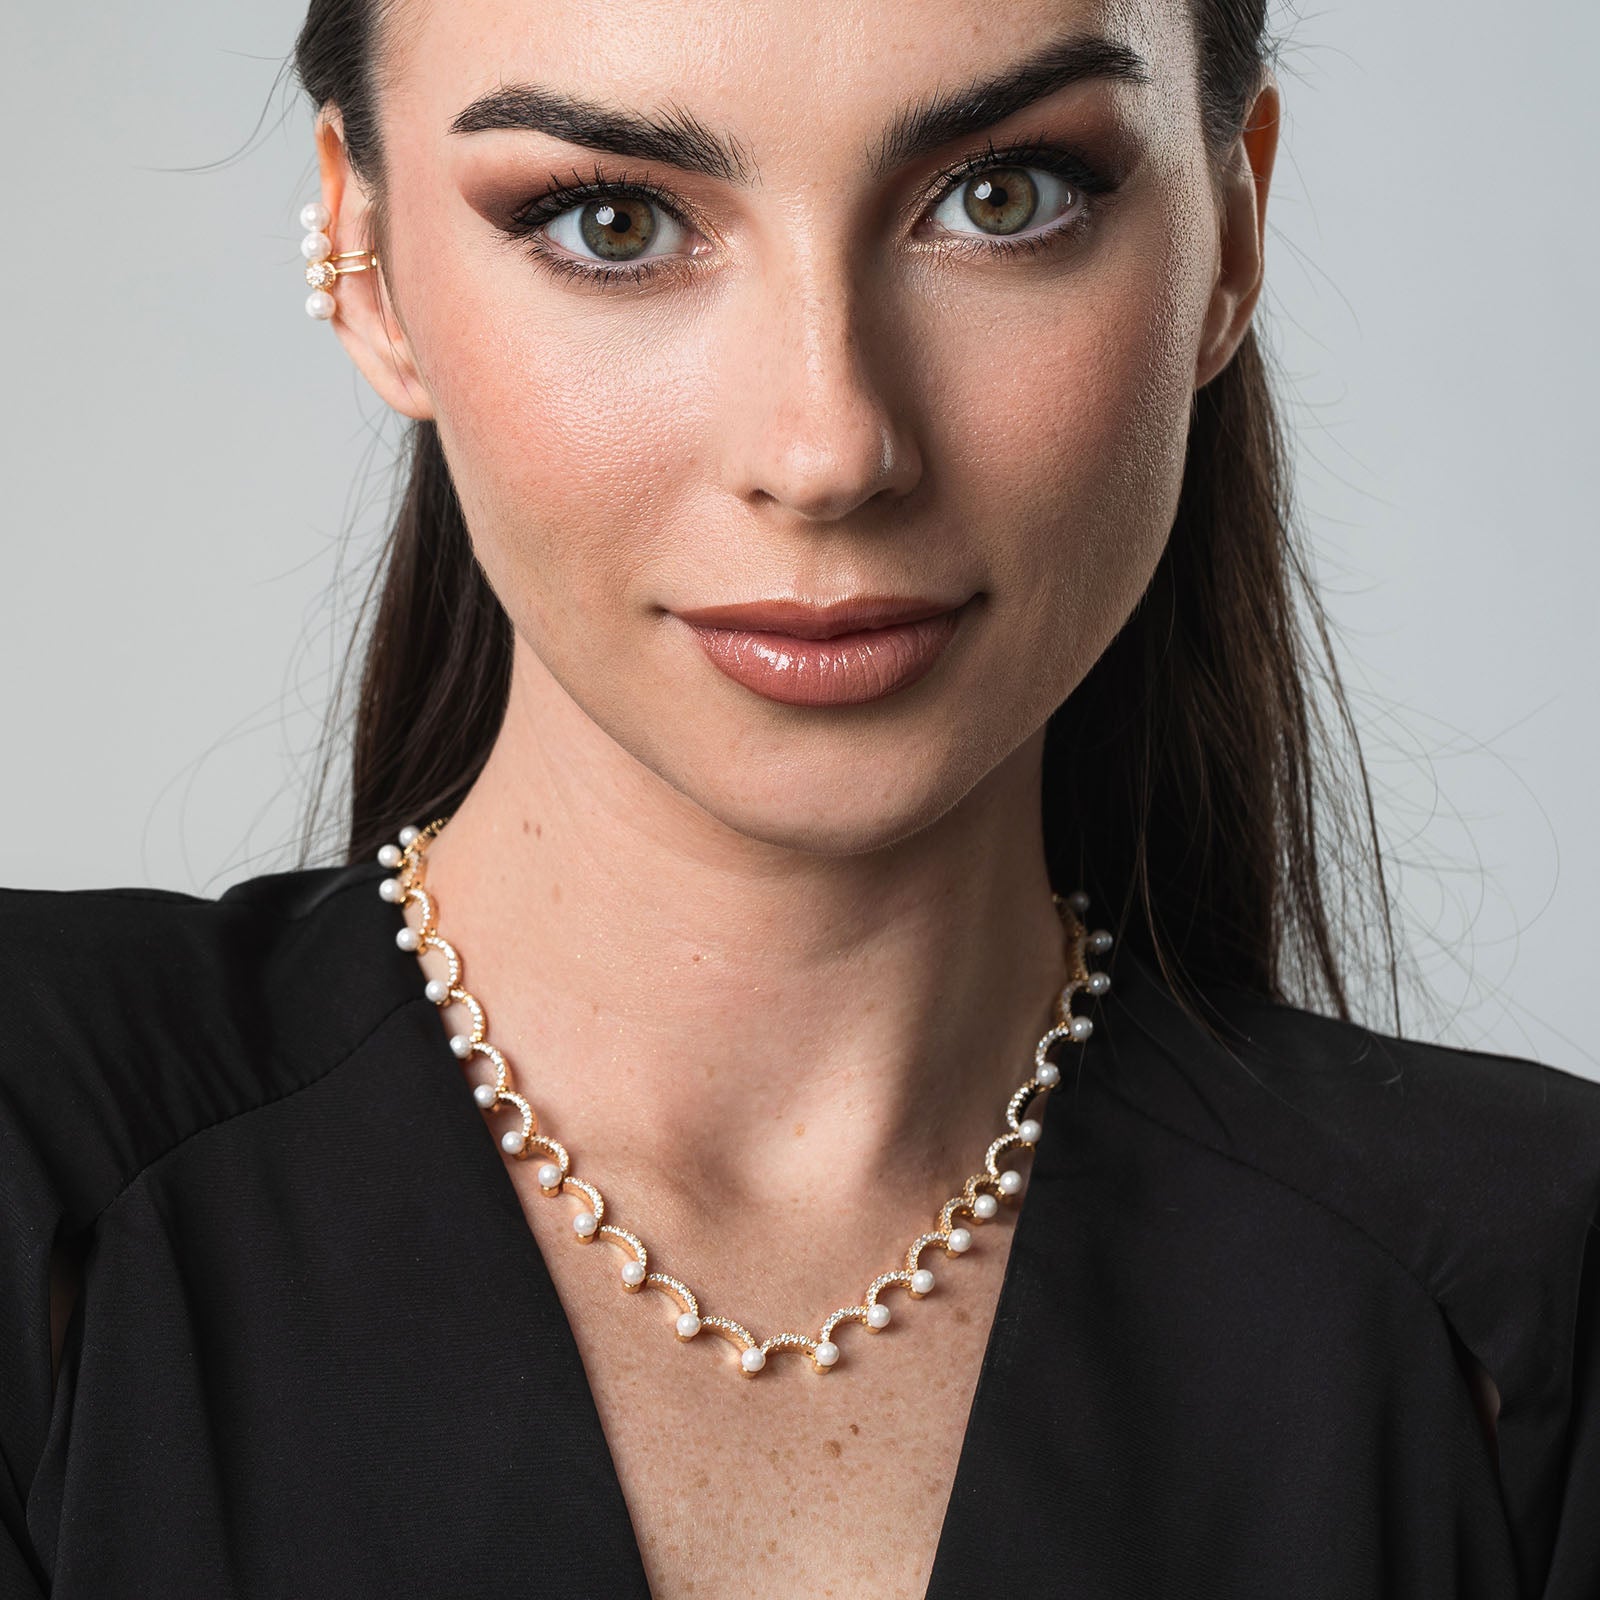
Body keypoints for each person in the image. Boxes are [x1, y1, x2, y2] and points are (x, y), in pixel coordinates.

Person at [4, 0, 1597, 1594]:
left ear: (1230, 240)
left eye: (1004, 195)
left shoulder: (1528, 1302)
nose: (831, 449)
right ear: (364, 259)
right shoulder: (41, 1158)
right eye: (612, 222)